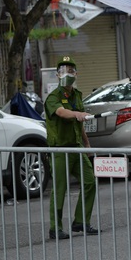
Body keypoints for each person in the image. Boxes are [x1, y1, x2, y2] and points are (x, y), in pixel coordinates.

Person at [44, 56, 99, 240]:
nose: (67, 73)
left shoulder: (77, 95)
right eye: (63, 70)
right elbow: (61, 113)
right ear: (58, 75)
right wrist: (76, 114)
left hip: (76, 147)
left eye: (70, 70)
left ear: (76, 73)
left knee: (90, 181)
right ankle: (55, 228)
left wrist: (87, 143)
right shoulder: (54, 97)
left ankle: (81, 221)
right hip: (60, 149)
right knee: (60, 188)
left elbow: (79, 123)